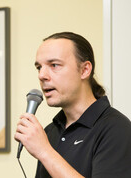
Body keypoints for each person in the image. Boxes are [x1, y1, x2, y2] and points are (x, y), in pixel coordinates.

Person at [14, 32, 131, 177]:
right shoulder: (50, 132)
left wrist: (45, 151)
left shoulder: (116, 128)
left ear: (84, 70)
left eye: (54, 65)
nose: (42, 75)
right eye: (39, 67)